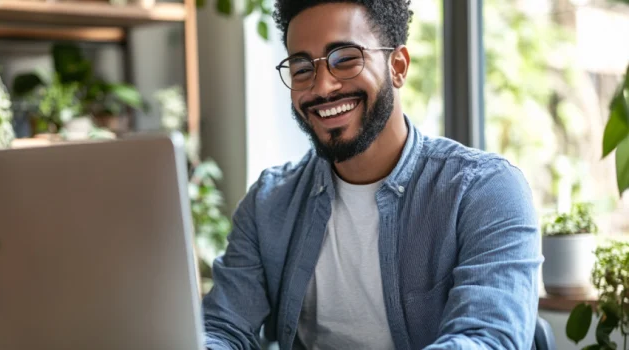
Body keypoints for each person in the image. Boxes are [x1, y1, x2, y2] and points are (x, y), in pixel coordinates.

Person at [202, 0, 543, 349]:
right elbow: (224, 327)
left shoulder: (485, 191)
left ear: (398, 66)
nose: (321, 87)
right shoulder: (268, 203)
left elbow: (487, 339)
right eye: (302, 68)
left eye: (346, 59)